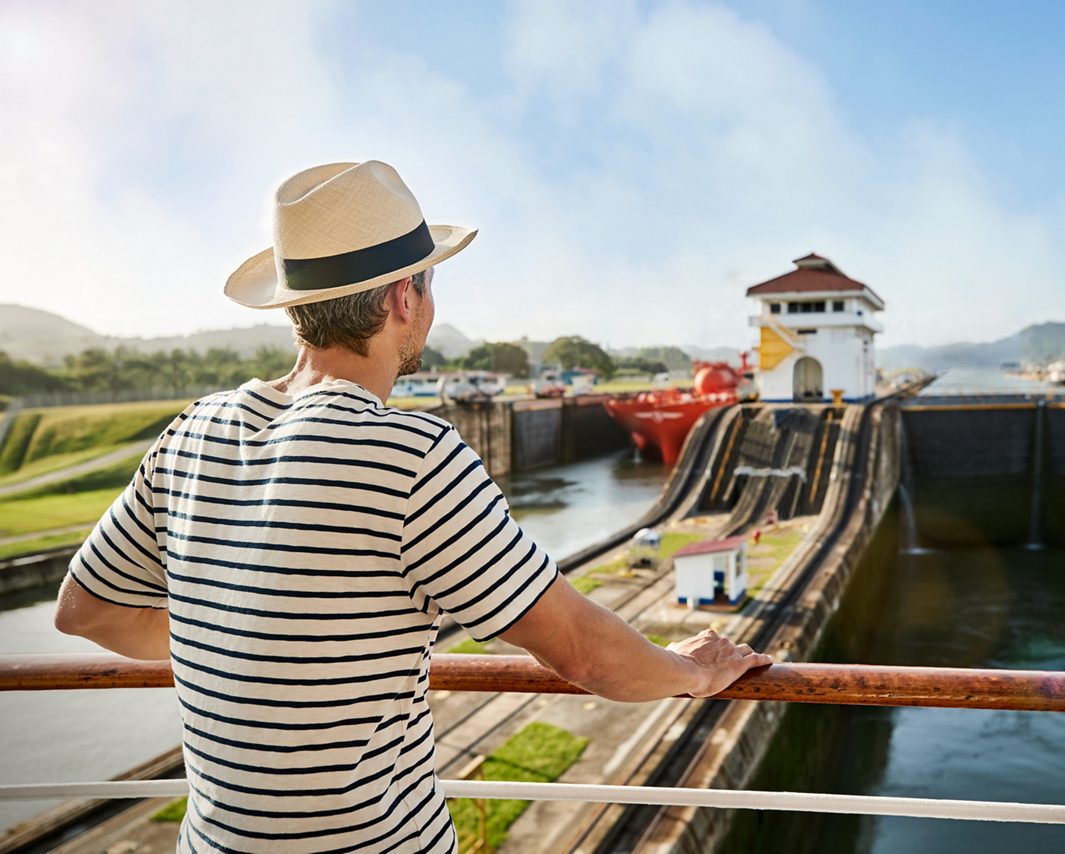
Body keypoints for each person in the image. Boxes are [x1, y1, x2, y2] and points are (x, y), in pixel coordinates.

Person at [53, 161, 769, 852]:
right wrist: (692, 671)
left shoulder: (196, 428)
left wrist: (245, 648)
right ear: (404, 298)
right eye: (429, 284)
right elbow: (585, 654)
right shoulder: (411, 454)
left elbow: (85, 610)